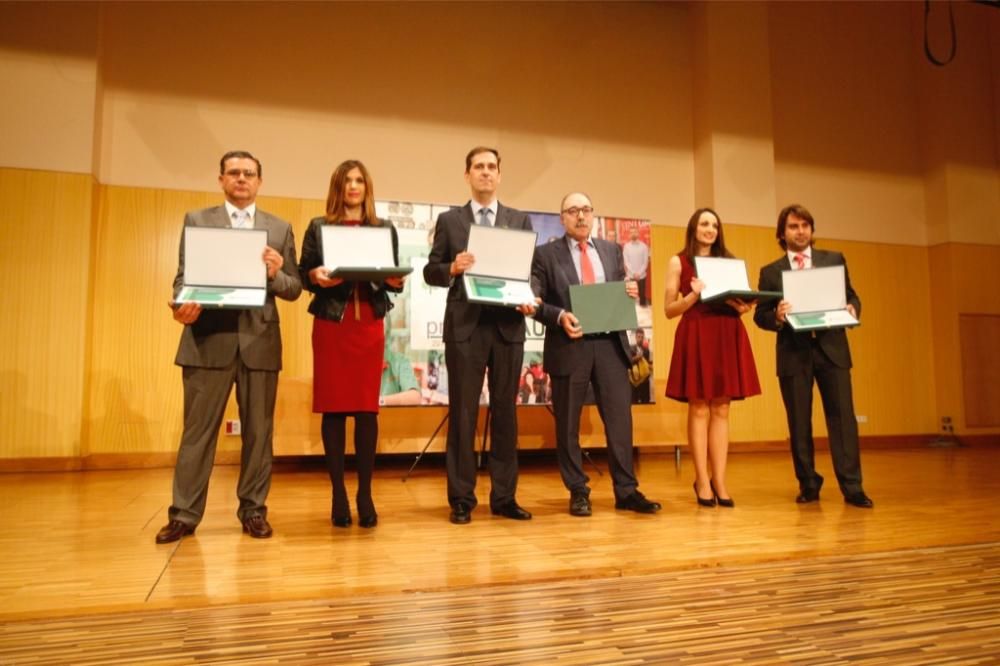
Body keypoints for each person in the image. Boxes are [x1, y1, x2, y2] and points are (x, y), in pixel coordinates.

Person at [155, 151, 302, 544]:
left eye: (249, 173)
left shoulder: (279, 227)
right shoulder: (198, 221)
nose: (241, 179)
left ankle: (253, 510)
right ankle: (184, 515)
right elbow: (183, 279)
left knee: (259, 433)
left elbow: (294, 288)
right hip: (207, 342)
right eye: (234, 173)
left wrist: (275, 274)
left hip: (261, 342)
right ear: (221, 179)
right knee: (197, 433)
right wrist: (181, 306)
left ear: (259, 182)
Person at [423, 146, 536, 524]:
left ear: (500, 175)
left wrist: (529, 295)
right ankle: (461, 499)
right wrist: (452, 268)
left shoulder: (519, 219)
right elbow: (430, 270)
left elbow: (532, 272)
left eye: (491, 167)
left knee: (506, 413)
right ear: (468, 175)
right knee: (463, 413)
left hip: (507, 327)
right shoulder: (450, 221)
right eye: (478, 167)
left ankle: (504, 497)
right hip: (465, 326)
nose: (485, 173)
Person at [530, 192, 662, 517]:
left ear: (593, 215)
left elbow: (619, 291)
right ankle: (578, 490)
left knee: (620, 422)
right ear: (562, 218)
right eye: (573, 211)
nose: (580, 216)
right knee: (568, 425)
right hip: (569, 345)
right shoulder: (545, 255)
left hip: (610, 346)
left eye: (586, 210)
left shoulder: (610, 250)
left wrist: (628, 291)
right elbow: (533, 300)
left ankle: (627, 490)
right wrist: (559, 316)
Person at [298, 159, 404, 528]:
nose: (354, 186)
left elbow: (392, 274)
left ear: (367, 187)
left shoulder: (383, 228)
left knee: (365, 411)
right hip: (332, 325)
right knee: (333, 409)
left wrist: (395, 280)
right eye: (347, 181)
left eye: (360, 180)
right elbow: (303, 274)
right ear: (338, 186)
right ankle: (338, 495)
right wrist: (315, 275)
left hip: (369, 326)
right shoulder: (318, 226)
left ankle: (365, 494)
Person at [753, 204, 873, 508]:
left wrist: (852, 308)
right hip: (794, 353)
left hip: (832, 349)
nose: (801, 231)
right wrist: (777, 317)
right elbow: (760, 316)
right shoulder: (771, 271)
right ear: (782, 233)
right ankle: (808, 483)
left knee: (843, 418)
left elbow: (852, 295)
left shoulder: (833, 260)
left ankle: (852, 486)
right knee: (799, 422)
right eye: (793, 226)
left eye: (805, 225)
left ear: (812, 230)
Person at [664, 208, 761, 508]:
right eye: (704, 224)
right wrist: (693, 295)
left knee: (721, 408)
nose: (710, 229)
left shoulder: (729, 262)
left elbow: (738, 303)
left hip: (726, 333)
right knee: (699, 407)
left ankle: (720, 480)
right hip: (696, 332)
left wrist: (744, 306)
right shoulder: (678, 261)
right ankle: (702, 479)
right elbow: (670, 309)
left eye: (715, 226)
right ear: (693, 227)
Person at [623, 228, 651, 307]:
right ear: (629, 235)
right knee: (631, 298)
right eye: (631, 232)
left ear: (638, 233)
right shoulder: (626, 246)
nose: (633, 234)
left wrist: (639, 273)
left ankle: (643, 307)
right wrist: (633, 273)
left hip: (641, 276)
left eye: (635, 232)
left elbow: (645, 262)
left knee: (642, 296)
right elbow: (626, 261)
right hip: (631, 276)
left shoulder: (644, 246)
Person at [629, 328, 653, 404]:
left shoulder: (647, 350)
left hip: (644, 380)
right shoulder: (630, 349)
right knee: (634, 402)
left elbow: (648, 362)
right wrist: (637, 358)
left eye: (642, 337)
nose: (640, 339)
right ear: (636, 337)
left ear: (643, 337)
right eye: (638, 337)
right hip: (634, 380)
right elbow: (628, 362)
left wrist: (650, 365)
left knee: (645, 401)